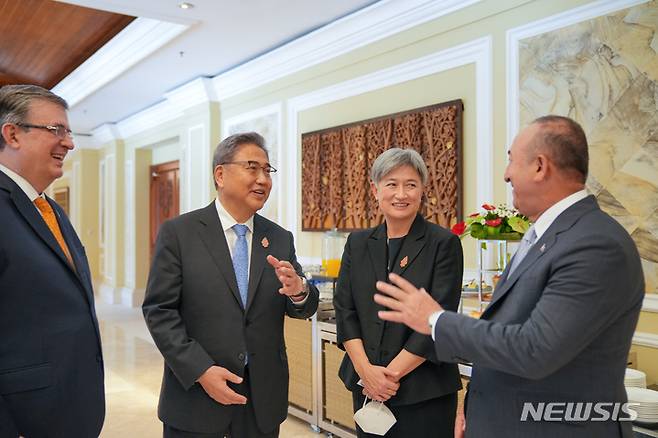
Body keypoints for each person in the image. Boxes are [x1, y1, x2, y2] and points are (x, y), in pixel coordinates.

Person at [374, 115, 644, 438]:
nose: (505, 174)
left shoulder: (595, 244)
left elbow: (534, 349)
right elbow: (505, 330)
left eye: (511, 160)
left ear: (540, 167)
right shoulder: (546, 235)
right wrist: (473, 402)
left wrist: (435, 320)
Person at [143, 131, 319, 438]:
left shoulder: (279, 238)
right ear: (220, 174)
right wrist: (200, 370)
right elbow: (159, 311)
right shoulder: (179, 233)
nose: (263, 179)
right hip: (196, 395)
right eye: (252, 167)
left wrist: (299, 291)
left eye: (267, 170)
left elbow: (304, 305)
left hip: (261, 399)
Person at [334, 148, 463, 437]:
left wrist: (387, 378)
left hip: (424, 392)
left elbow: (437, 320)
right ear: (375, 190)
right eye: (391, 184)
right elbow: (346, 310)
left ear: (422, 190)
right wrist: (366, 371)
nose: (401, 194)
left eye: (411, 184)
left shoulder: (443, 244)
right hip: (366, 385)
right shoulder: (358, 243)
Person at [0, 85, 105, 437]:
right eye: (55, 130)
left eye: (69, 131)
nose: (69, 142)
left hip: (67, 406)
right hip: (24, 417)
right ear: (12, 134)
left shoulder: (50, 209)